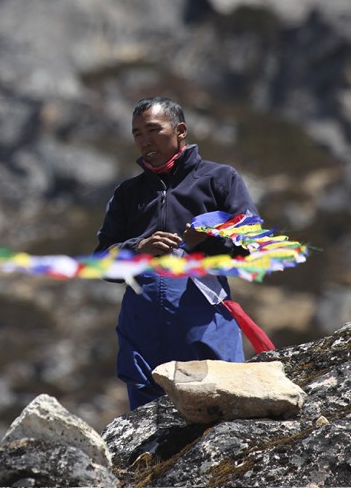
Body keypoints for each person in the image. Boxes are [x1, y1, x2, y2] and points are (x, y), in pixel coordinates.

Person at [95, 96, 258, 410]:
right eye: (137, 133)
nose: (145, 141)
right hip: (141, 326)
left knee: (218, 412)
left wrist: (204, 241)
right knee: (149, 428)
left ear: (180, 130)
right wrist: (138, 248)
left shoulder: (219, 179)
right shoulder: (128, 194)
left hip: (202, 318)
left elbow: (249, 245)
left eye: (153, 130)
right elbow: (101, 262)